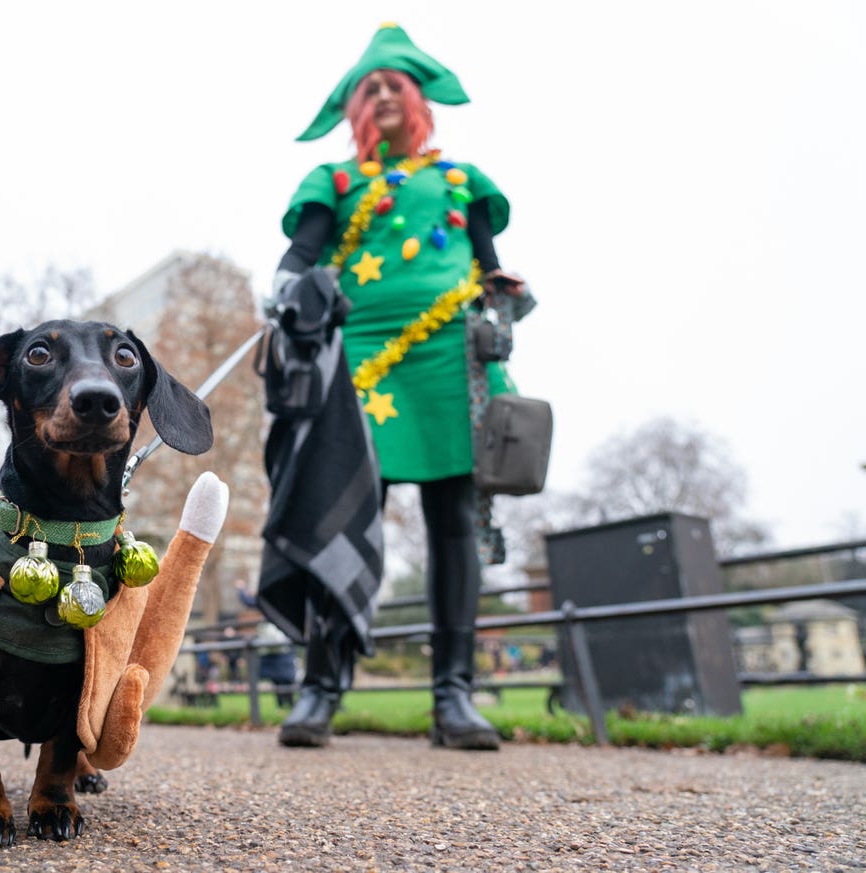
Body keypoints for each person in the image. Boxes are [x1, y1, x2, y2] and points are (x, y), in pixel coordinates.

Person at [262, 23, 536, 750]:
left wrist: (505, 287)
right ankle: (320, 688)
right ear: (354, 109)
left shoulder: (461, 180)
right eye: (369, 88)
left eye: (393, 86)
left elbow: (487, 263)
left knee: (453, 525)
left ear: (416, 100)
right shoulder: (334, 181)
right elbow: (301, 253)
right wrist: (288, 288)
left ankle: (454, 696)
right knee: (339, 516)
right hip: (360, 360)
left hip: (453, 360)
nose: (382, 95)